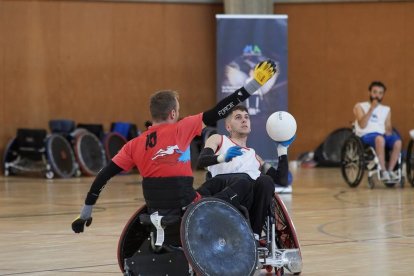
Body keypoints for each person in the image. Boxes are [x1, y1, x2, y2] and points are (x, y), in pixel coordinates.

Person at [71, 60, 277, 233]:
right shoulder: (182, 128)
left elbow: (103, 176)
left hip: (156, 209)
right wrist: (254, 85)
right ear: (172, 114)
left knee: (214, 185)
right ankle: (254, 235)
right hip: (188, 207)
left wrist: (86, 212)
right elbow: (220, 110)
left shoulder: (133, 145)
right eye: (177, 110)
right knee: (245, 183)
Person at [196, 105, 294, 239]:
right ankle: (209, 208)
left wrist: (282, 150)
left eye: (246, 117)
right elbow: (201, 161)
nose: (244, 120)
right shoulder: (219, 139)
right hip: (222, 186)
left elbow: (281, 180)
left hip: (245, 196)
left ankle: (254, 235)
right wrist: (222, 158)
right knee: (244, 180)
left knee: (265, 181)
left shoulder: (255, 156)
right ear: (228, 127)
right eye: (238, 117)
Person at [354, 81, 402, 181]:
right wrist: (371, 108)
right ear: (369, 93)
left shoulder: (386, 109)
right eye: (375, 92)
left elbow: (388, 127)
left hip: (381, 135)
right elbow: (362, 125)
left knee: (397, 142)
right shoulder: (359, 106)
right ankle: (383, 171)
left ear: (383, 95)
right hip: (366, 135)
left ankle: (390, 171)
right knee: (380, 139)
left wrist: (389, 131)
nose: (377, 95)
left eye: (380, 93)